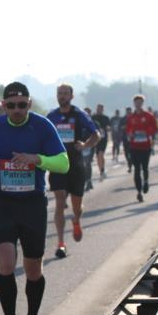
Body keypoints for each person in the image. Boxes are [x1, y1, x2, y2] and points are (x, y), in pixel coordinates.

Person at [0, 82, 68, 315]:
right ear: (4, 106)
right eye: (11, 106)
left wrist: (37, 159)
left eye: (22, 105)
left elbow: (63, 162)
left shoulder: (42, 126)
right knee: (5, 262)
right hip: (2, 202)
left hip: (32, 204)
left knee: (33, 268)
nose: (17, 110)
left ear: (30, 103)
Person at [46, 84, 99, 258]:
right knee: (60, 200)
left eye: (65, 93)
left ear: (71, 96)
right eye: (59, 93)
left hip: (76, 164)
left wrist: (85, 145)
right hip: (58, 164)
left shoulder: (79, 115)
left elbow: (96, 135)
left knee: (77, 206)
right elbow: (42, 136)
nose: (62, 96)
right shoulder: (52, 116)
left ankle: (76, 220)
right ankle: (60, 243)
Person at [124, 94, 158, 202]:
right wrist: (130, 134)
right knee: (136, 170)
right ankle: (139, 192)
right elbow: (127, 130)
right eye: (136, 102)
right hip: (134, 147)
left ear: (142, 103)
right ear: (134, 104)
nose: (138, 104)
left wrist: (146, 132)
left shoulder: (149, 116)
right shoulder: (131, 118)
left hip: (145, 146)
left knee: (145, 167)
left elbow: (155, 129)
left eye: (140, 102)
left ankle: (146, 181)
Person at [91, 103, 111, 180]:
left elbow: (109, 126)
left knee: (100, 153)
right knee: (98, 155)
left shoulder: (106, 118)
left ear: (102, 109)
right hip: (95, 139)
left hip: (103, 138)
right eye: (98, 108)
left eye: (100, 109)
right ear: (96, 109)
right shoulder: (93, 117)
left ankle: (102, 170)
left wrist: (108, 128)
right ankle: (101, 170)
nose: (99, 110)